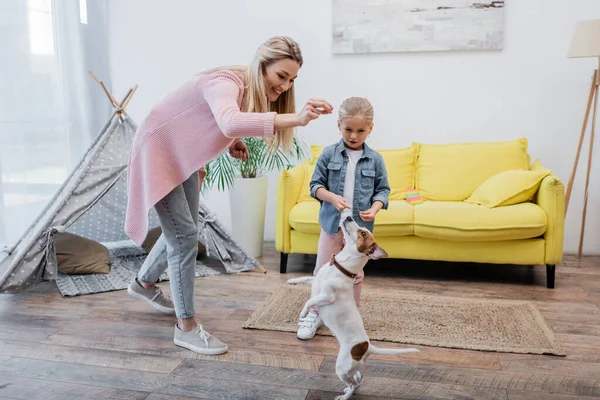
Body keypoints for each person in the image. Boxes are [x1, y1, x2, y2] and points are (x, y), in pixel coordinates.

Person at [124, 36, 333, 355]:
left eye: (292, 80)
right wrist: (297, 118)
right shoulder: (225, 81)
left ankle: (143, 284)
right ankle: (186, 328)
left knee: (184, 230)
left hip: (181, 154)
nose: (286, 86)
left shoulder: (246, 89)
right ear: (262, 65)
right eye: (281, 76)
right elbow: (228, 118)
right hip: (157, 152)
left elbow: (213, 122)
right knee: (184, 237)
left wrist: (230, 140)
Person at [297, 97, 390, 340]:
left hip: (359, 231)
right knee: (322, 271)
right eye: (348, 129)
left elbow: (383, 190)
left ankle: (350, 316)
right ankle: (314, 313)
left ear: (370, 129)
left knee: (355, 275)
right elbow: (315, 186)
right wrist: (332, 197)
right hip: (331, 225)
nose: (353, 136)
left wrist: (376, 207)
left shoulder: (376, 160)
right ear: (339, 125)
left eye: (361, 130)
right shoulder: (329, 155)